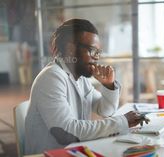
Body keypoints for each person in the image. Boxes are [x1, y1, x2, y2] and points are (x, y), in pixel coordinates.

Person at [24, 19, 147, 155]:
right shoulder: (52, 78)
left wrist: (109, 86)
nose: (96, 58)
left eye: (97, 52)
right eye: (92, 51)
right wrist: (122, 122)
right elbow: (66, 132)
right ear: (71, 49)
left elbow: (106, 110)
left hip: (76, 150)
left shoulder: (80, 78)